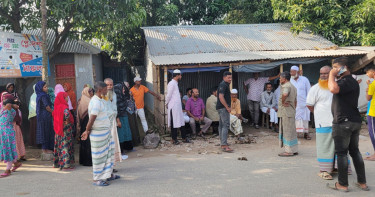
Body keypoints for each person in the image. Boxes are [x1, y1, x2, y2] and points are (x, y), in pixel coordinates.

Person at [327, 57, 368, 192]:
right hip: (353, 121)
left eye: (336, 67)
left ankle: (343, 184)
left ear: (343, 68)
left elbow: (333, 89)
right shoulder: (350, 82)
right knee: (355, 151)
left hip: (343, 122)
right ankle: (362, 183)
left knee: (342, 153)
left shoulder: (346, 81)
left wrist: (332, 75)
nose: (334, 70)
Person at [81, 81, 120, 187]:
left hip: (105, 132)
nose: (107, 90)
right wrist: (87, 131)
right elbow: (92, 118)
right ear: (99, 90)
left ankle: (108, 174)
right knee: (99, 157)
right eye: (105, 89)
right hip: (98, 133)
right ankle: (97, 179)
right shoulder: (96, 102)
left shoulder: (101, 99)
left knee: (108, 154)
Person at [307, 66, 336, 179]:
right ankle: (324, 170)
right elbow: (309, 104)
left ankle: (336, 168)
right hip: (322, 122)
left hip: (337, 122)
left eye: (326, 73)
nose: (323, 76)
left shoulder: (336, 86)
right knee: (324, 146)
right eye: (321, 74)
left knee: (338, 146)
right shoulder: (315, 88)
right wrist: (318, 113)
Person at [166, 69, 190, 145]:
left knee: (180, 121)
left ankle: (184, 137)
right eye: (180, 75)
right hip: (173, 106)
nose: (181, 76)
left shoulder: (175, 83)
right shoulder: (171, 83)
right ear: (177, 76)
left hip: (177, 107)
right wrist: (166, 103)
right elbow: (168, 95)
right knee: (174, 123)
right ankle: (174, 139)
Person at [0, 98, 22, 178]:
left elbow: (9, 108)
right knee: (9, 149)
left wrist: (11, 106)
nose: (5, 106)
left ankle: (8, 169)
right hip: (3, 133)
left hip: (8, 133)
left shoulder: (11, 111)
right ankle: (16, 163)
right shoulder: (3, 110)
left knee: (8, 150)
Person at [53, 92, 75, 170]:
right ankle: (66, 164)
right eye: (66, 97)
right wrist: (67, 120)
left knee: (60, 145)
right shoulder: (64, 107)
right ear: (62, 98)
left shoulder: (56, 107)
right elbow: (67, 114)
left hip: (58, 129)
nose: (67, 99)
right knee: (65, 144)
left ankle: (59, 163)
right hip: (65, 129)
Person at [278, 72, 298, 157]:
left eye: (280, 78)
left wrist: (283, 102)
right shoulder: (293, 86)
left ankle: (288, 151)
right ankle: (294, 149)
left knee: (287, 131)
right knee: (292, 130)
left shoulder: (286, 86)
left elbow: (285, 94)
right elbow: (295, 101)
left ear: (284, 79)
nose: (279, 79)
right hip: (291, 111)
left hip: (286, 111)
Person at [2, 93, 26, 161]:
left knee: (14, 141)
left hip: (12, 127)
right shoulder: (12, 108)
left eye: (5, 98)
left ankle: (17, 156)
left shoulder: (11, 109)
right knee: (17, 141)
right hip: (14, 126)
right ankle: (20, 155)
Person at [290, 66, 311, 140]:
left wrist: (309, 102)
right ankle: (295, 134)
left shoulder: (304, 79)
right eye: (291, 71)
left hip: (304, 103)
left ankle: (306, 133)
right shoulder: (290, 80)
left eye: (292, 72)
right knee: (295, 118)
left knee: (305, 118)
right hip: (294, 103)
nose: (291, 73)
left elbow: (309, 91)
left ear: (297, 72)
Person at [104, 78, 122, 165]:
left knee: (113, 144)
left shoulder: (114, 94)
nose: (109, 87)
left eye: (111, 85)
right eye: (107, 85)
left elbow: (115, 108)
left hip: (113, 122)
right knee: (107, 145)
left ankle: (112, 164)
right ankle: (107, 165)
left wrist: (117, 120)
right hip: (105, 123)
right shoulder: (102, 96)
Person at [77, 87, 94, 166]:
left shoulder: (81, 100)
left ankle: (83, 160)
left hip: (84, 123)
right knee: (88, 142)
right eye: (90, 92)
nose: (92, 93)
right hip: (87, 123)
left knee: (84, 141)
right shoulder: (90, 101)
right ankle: (88, 161)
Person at [36, 81, 54, 154]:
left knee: (43, 131)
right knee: (46, 131)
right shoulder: (44, 95)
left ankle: (44, 148)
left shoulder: (38, 95)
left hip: (40, 116)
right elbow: (47, 107)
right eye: (45, 87)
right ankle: (46, 149)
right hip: (46, 116)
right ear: (41, 88)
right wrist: (53, 112)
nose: (47, 88)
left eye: (46, 86)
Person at [115, 82, 133, 153]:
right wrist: (118, 120)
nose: (124, 90)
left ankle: (127, 147)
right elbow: (116, 110)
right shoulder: (115, 99)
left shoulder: (123, 96)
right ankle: (121, 149)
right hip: (119, 117)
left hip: (124, 115)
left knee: (126, 131)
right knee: (121, 133)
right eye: (122, 89)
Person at [217, 71, 233, 152]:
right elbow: (221, 97)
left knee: (221, 125)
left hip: (221, 108)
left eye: (231, 78)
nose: (230, 79)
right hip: (223, 108)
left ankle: (222, 142)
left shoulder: (224, 84)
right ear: (224, 78)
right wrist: (227, 107)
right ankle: (224, 144)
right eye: (228, 77)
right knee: (225, 125)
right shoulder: (223, 85)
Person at [365, 67, 375, 161]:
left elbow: (368, 98)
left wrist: (368, 87)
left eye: (367, 72)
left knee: (373, 133)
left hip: (373, 112)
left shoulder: (373, 84)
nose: (367, 75)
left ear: (373, 72)